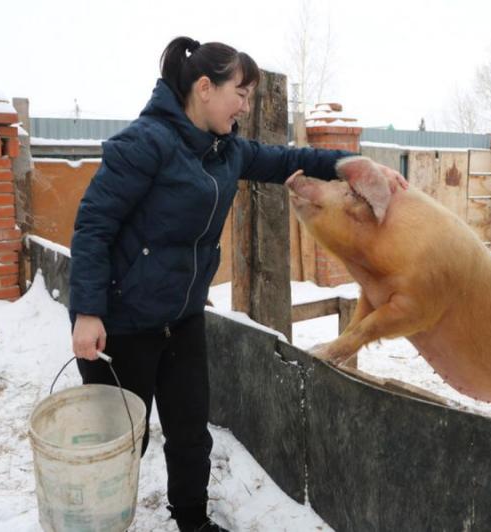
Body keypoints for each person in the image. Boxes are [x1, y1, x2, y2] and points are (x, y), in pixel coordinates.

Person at [69, 36, 405, 531]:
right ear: (204, 88)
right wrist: (88, 311)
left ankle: (192, 521)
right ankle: (95, 523)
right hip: (123, 324)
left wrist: (352, 167)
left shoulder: (226, 152)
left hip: (181, 321)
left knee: (188, 434)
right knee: (120, 442)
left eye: (249, 97)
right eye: (240, 94)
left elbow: (284, 158)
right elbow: (93, 225)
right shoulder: (146, 144)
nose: (245, 107)